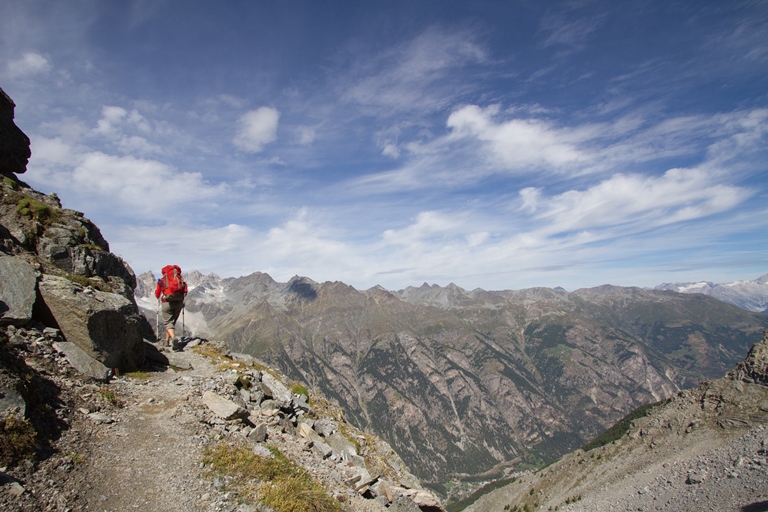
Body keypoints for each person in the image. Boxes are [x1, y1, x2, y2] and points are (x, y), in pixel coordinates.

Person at [155, 270, 187, 351]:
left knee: (168, 322)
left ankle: (173, 338)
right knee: (172, 322)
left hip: (167, 303)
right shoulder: (180, 281)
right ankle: (166, 341)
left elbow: (157, 294)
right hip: (178, 303)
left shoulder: (162, 281)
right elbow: (185, 292)